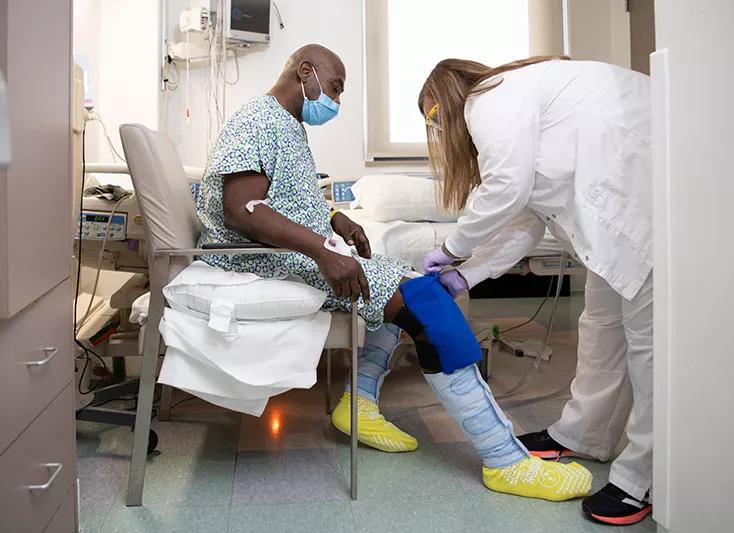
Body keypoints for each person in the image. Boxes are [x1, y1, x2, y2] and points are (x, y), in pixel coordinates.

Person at [195, 44, 593, 501]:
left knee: (403, 279)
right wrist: (325, 254)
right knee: (429, 308)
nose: (337, 103)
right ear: (306, 70)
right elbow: (242, 210)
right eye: (336, 88)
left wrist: (333, 220)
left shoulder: (288, 126)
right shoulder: (256, 119)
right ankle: (505, 461)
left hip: (292, 255)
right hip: (267, 262)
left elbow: (282, 201)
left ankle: (359, 403)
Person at [418, 56, 653, 525]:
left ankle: (644, 476)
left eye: (432, 116)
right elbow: (522, 224)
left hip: (643, 200)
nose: (438, 130)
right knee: (602, 327)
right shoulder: (517, 109)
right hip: (611, 221)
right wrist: (468, 275)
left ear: (448, 95)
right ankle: (585, 433)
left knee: (648, 347)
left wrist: (452, 247)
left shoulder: (489, 99)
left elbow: (506, 188)